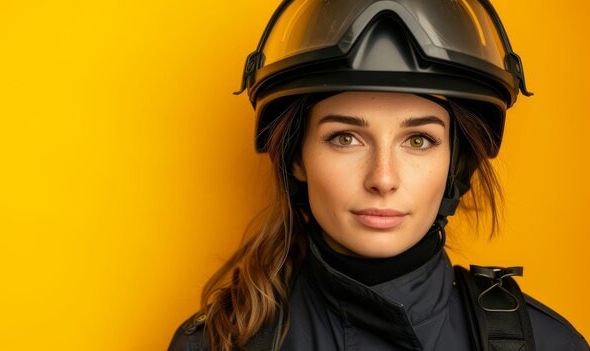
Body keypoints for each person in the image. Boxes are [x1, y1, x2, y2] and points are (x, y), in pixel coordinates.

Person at [169, 0, 589, 350]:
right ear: (296, 159)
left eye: (419, 140)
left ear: (455, 166)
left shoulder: (549, 344)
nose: (383, 178)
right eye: (346, 138)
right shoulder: (217, 342)